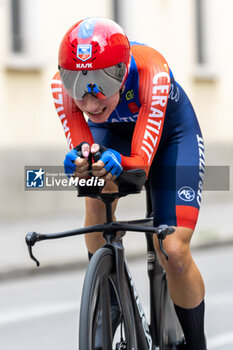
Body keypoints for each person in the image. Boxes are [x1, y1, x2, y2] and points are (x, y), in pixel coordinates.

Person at [51, 17, 207, 349]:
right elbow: (85, 148)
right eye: (81, 93)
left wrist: (118, 162)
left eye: (100, 91)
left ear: (121, 74)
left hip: (170, 139)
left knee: (174, 251)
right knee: (96, 186)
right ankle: (108, 290)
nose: (90, 105)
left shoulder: (152, 70)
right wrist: (81, 161)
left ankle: (196, 342)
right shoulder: (61, 87)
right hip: (116, 138)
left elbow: (140, 163)